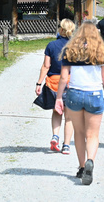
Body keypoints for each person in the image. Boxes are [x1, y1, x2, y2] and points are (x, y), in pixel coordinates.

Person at [55, 19, 104, 185]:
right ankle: (90, 162)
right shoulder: (101, 52)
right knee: (92, 134)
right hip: (94, 94)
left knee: (79, 133)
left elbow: (64, 78)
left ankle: (81, 167)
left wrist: (59, 97)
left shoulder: (70, 51)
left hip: (74, 94)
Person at [35, 22, 73, 154]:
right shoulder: (75, 45)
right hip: (69, 83)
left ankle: (55, 137)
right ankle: (66, 145)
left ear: (60, 29)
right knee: (69, 117)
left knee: (57, 111)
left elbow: (46, 66)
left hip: (53, 83)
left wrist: (39, 83)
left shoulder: (51, 45)